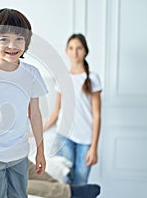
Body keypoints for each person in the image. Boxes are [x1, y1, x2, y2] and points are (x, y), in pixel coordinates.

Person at [0, 8, 48, 198]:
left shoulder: (32, 74)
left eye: (19, 38)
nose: (12, 45)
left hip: (19, 154)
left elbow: (35, 114)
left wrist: (40, 152)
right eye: (4, 39)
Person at [43, 33, 102, 185]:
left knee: (80, 182)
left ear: (85, 51)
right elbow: (56, 112)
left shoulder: (92, 79)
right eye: (71, 48)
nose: (75, 52)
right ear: (66, 51)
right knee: (65, 182)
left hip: (85, 140)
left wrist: (94, 147)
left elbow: (96, 115)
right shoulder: (62, 78)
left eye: (79, 48)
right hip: (65, 137)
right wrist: (36, 131)